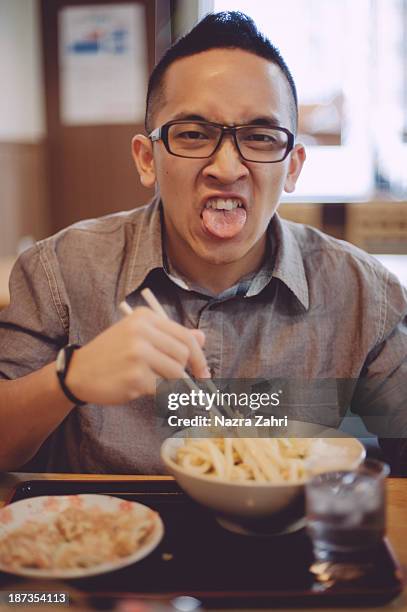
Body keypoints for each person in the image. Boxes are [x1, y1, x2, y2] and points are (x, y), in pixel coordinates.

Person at [0, 12, 406, 474]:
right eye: (193, 135)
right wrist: (69, 379)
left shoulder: (360, 291)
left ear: (292, 167)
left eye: (259, 137)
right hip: (113, 538)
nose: (227, 168)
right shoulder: (60, 271)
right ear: (146, 158)